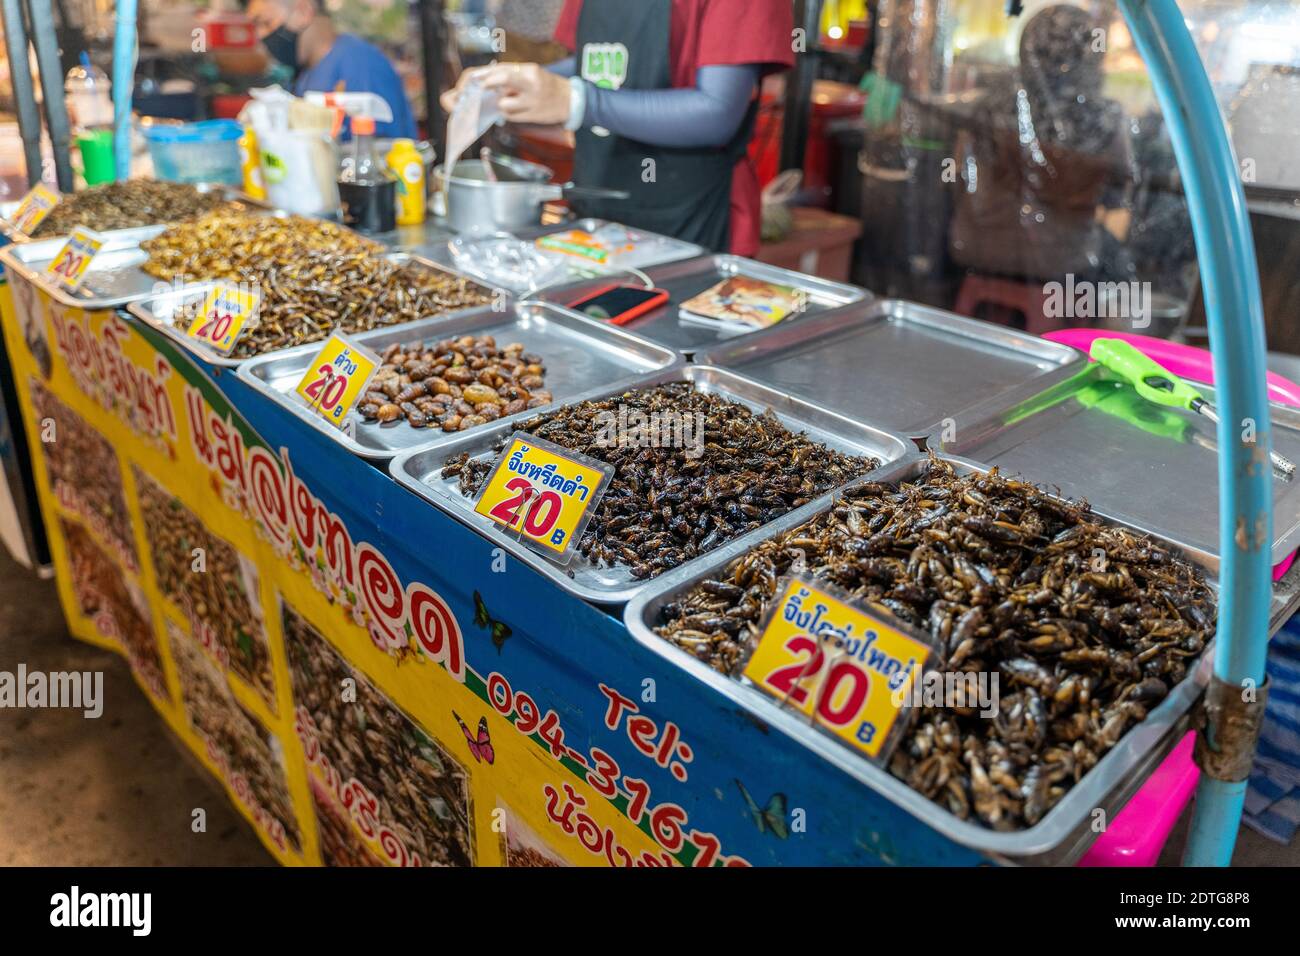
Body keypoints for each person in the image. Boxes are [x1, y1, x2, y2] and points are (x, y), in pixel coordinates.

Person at [442, 0, 794, 254]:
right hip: (599, 217)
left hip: (692, 219)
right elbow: (594, 64)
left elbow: (718, 113)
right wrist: (517, 84)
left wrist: (578, 102)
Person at [247, 0, 417, 139]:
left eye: (265, 23)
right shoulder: (306, 72)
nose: (261, 35)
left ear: (303, 12)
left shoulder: (359, 64)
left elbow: (377, 152)